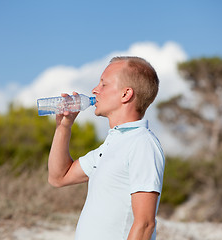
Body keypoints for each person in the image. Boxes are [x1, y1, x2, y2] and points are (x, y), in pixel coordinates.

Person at [48, 56, 165, 240]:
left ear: (125, 94)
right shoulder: (112, 144)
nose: (95, 90)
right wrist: (63, 127)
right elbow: (58, 177)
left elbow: (145, 224)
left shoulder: (142, 143)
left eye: (103, 84)